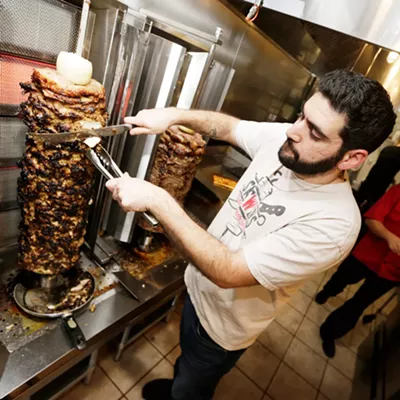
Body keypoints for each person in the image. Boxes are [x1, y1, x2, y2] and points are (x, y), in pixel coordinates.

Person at [106, 70, 396, 400]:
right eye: (302, 116)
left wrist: (157, 199)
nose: (293, 130)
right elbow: (228, 127)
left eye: (314, 131)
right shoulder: (288, 140)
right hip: (197, 291)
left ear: (352, 158)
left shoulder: (334, 225)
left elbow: (228, 271)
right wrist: (174, 116)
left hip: (220, 331)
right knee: (185, 365)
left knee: (193, 384)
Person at [317, 184, 400, 357]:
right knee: (341, 279)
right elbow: (371, 219)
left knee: (359, 303)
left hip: (392, 273)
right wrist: (389, 236)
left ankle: (330, 333)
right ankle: (328, 291)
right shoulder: (398, 191)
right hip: (367, 255)